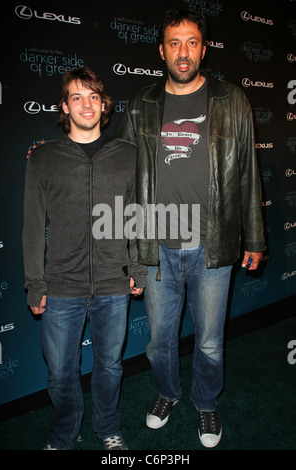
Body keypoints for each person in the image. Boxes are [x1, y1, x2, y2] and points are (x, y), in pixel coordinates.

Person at [116, 8, 265, 448]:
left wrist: (254, 237)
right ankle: (168, 393)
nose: (184, 52)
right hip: (158, 246)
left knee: (211, 343)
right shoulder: (141, 104)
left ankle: (206, 403)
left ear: (204, 48)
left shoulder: (232, 100)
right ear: (162, 50)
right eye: (175, 43)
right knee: (160, 343)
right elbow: (120, 174)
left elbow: (249, 175)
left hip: (213, 246)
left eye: (192, 42)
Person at [22, 66, 146, 450]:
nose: (86, 104)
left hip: (113, 282)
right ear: (65, 106)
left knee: (109, 367)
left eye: (93, 96)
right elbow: (31, 226)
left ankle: (108, 429)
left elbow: (138, 216)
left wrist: (138, 265)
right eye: (77, 96)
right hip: (61, 287)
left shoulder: (129, 155)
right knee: (60, 374)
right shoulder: (42, 158)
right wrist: (35, 283)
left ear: (104, 104)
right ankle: (64, 435)